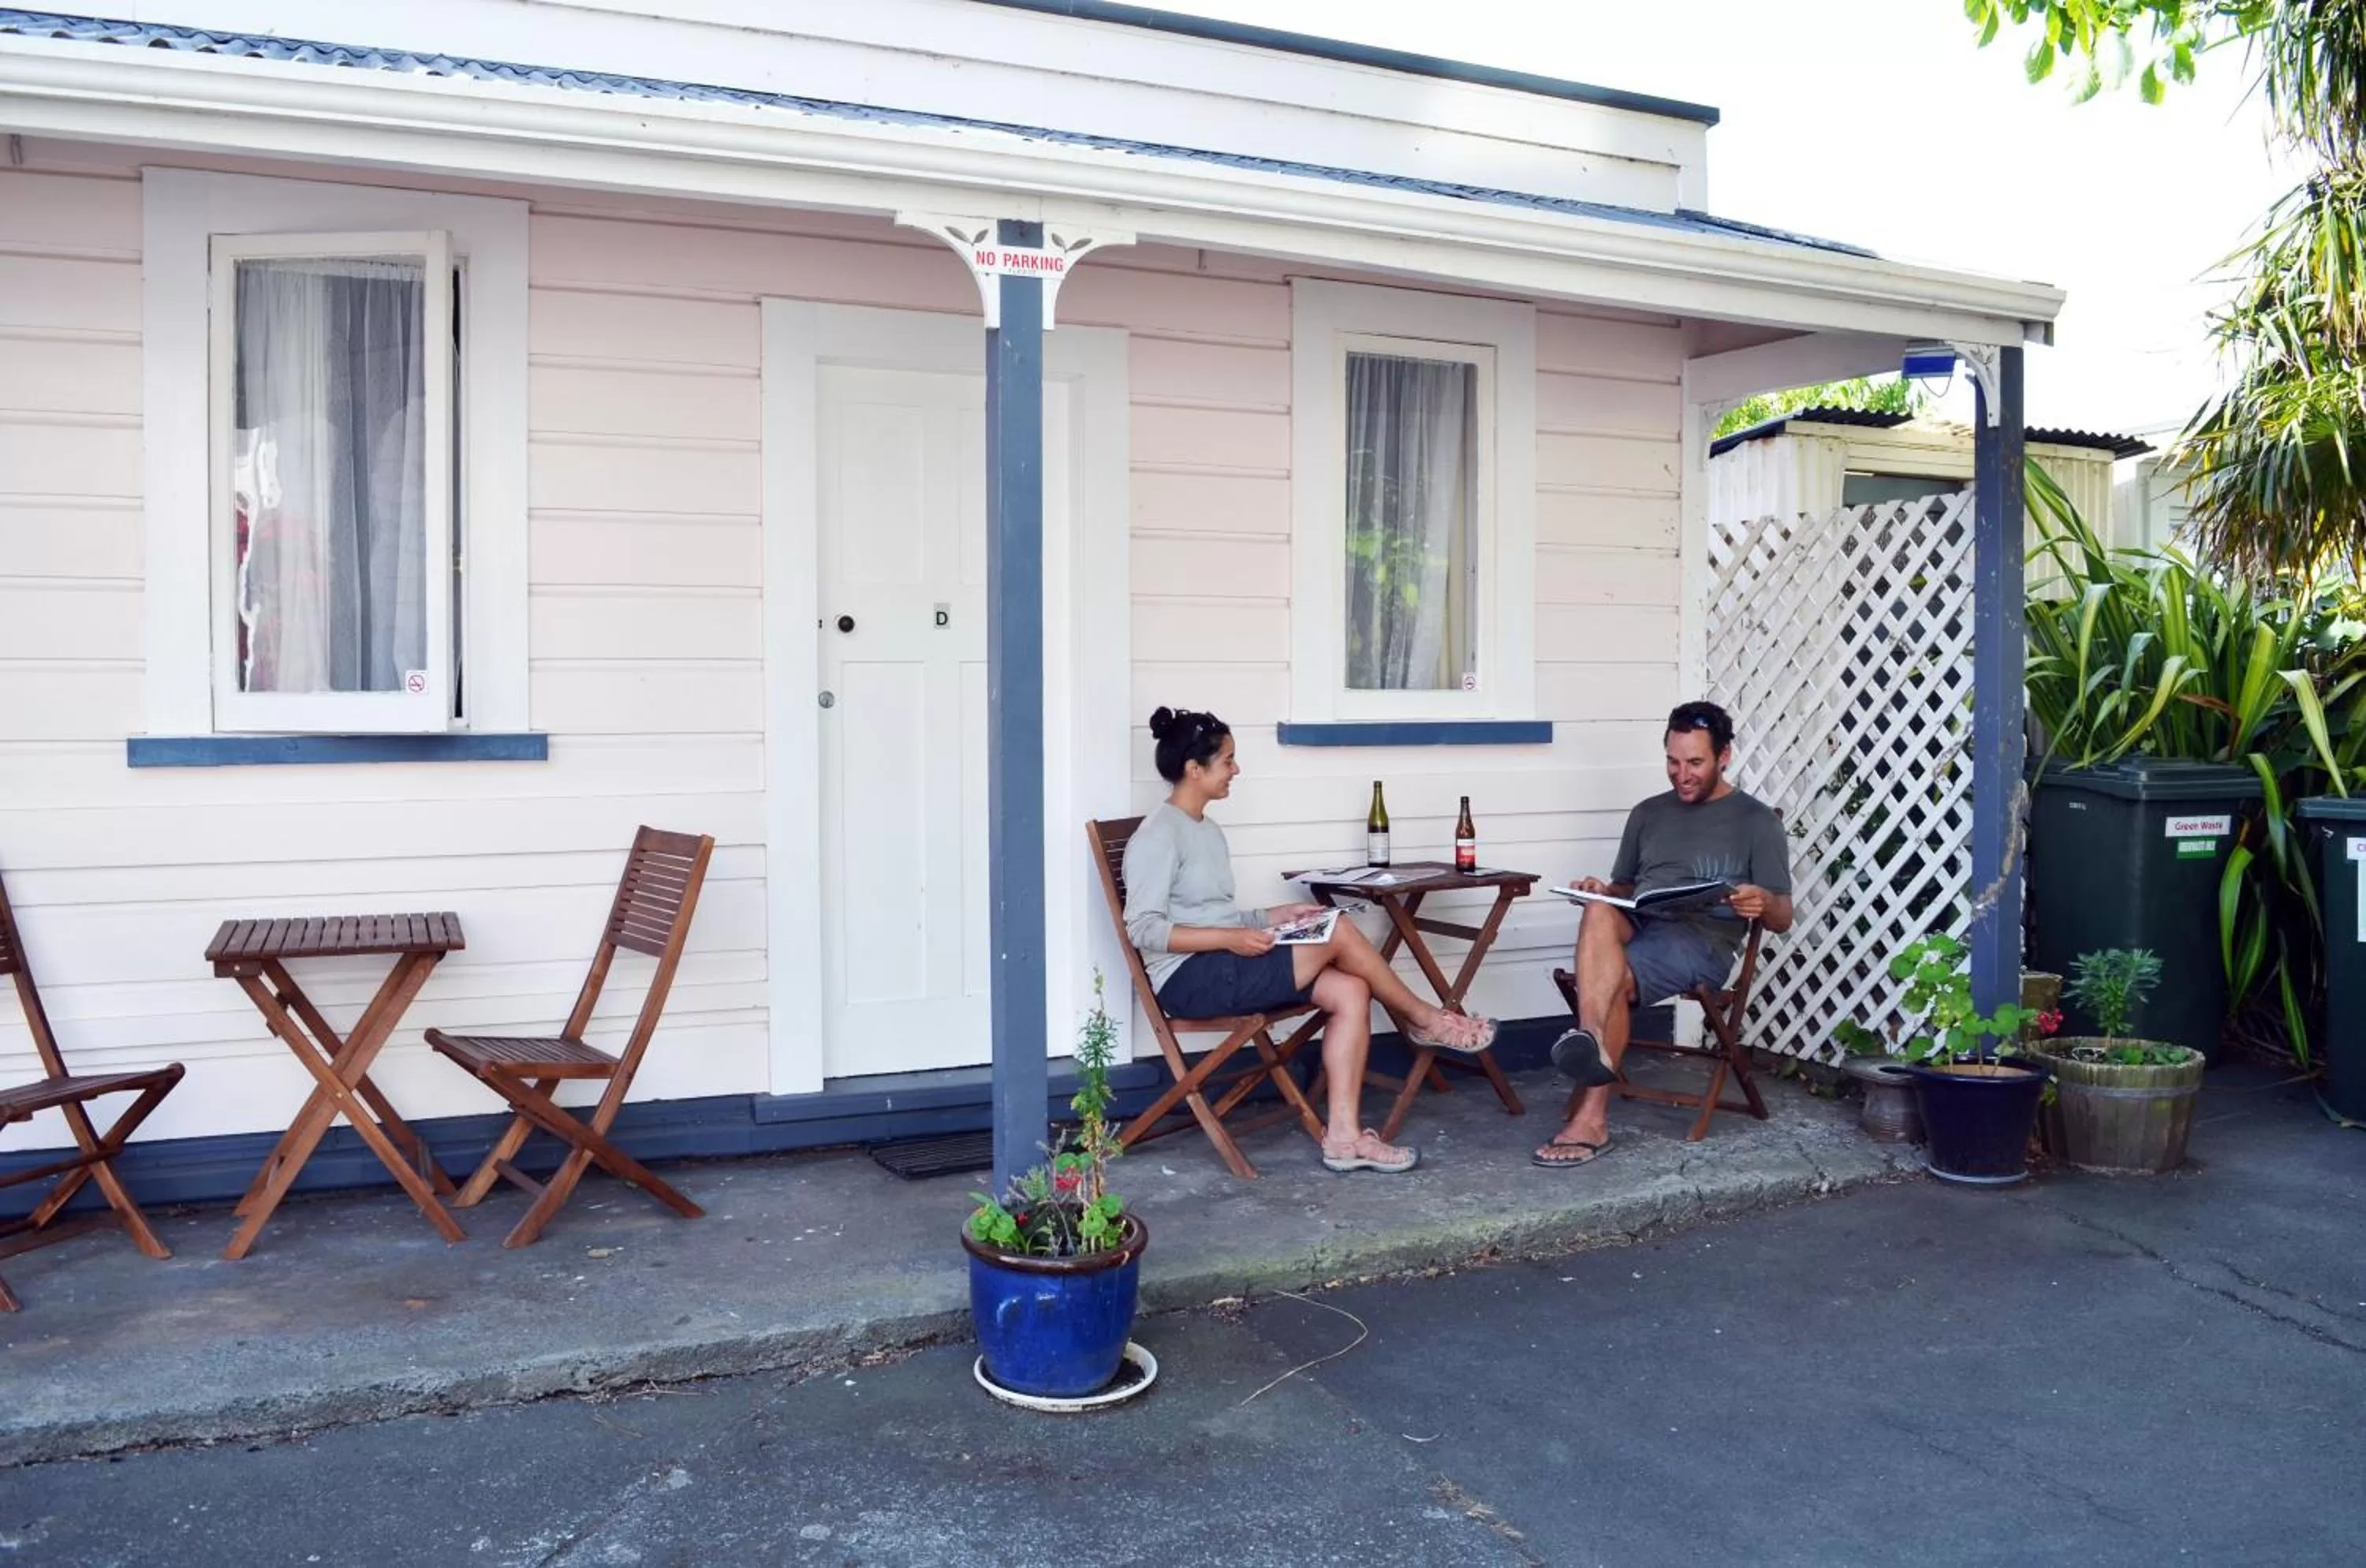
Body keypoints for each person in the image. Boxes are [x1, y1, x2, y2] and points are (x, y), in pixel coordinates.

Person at [1124, 707, 1498, 1174]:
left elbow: (1212, 912)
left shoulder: (1207, 830)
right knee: (1338, 930)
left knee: (1350, 988)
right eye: (1227, 761)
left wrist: (1275, 915)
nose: (1236, 770)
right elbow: (1144, 929)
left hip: (1225, 960)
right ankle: (1426, 1019)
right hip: (1191, 979)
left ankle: (1343, 1138)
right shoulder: (1157, 837)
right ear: (1193, 769)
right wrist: (1233, 937)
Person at [1536, 700, 1792, 1169]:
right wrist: (1603, 890)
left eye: (1695, 762)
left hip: (1699, 940)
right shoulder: (1648, 813)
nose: (1682, 774)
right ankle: (1592, 1038)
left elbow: (1782, 916)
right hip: (1646, 923)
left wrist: (1763, 901)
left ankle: (1591, 1114)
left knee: (1613, 978)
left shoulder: (1757, 822)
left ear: (1724, 756)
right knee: (1596, 909)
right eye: (1673, 762)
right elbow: (1626, 889)